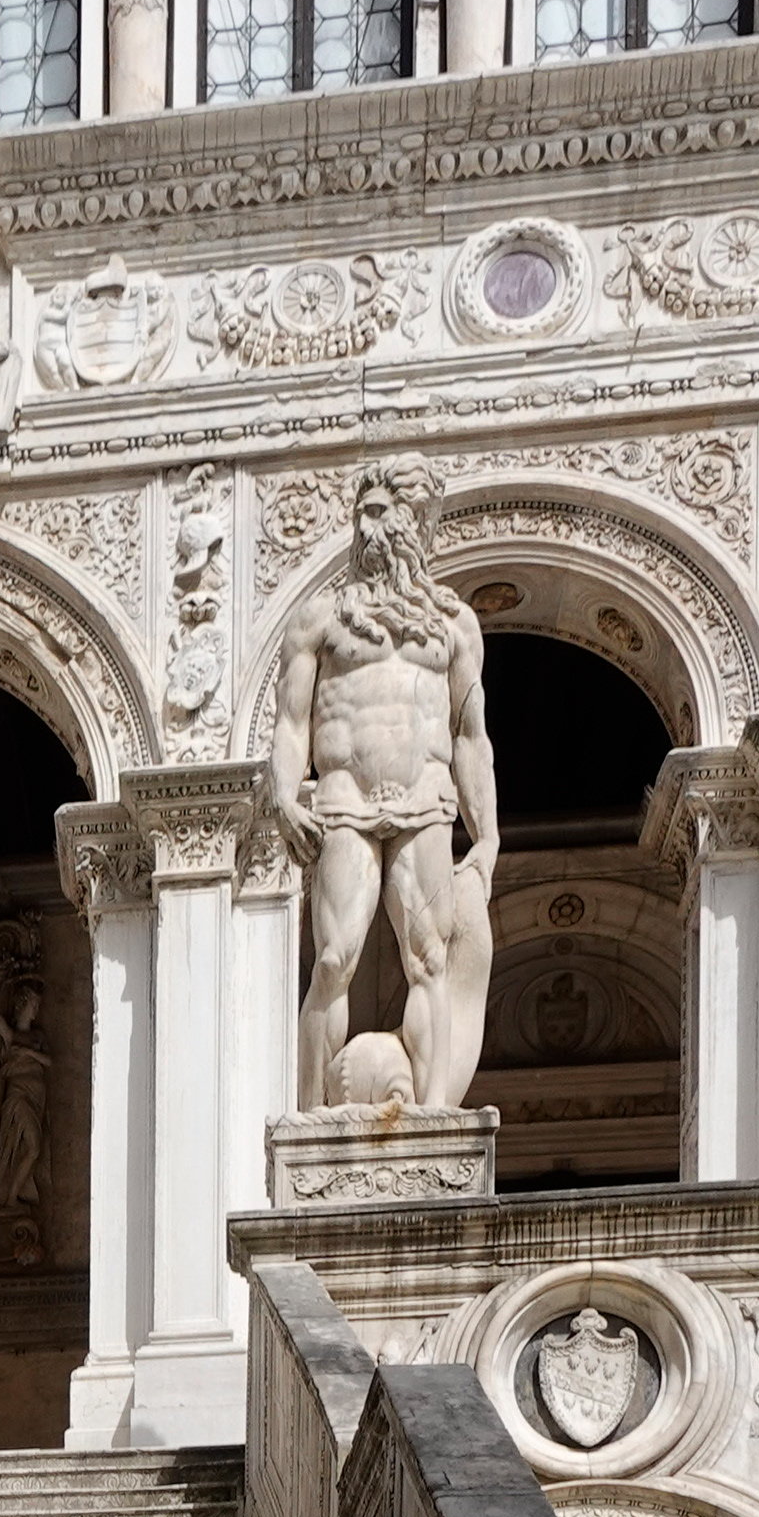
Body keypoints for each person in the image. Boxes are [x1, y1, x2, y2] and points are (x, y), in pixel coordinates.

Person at [271, 459, 498, 1109]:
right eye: (360, 513)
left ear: (414, 523)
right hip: (344, 801)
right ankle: (313, 1114)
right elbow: (291, 723)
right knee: (334, 960)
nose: (364, 528)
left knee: (428, 959)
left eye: (379, 513)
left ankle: (431, 1115)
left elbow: (469, 736)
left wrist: (487, 836)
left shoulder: (454, 625)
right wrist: (287, 792)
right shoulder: (321, 617)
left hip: (425, 802)